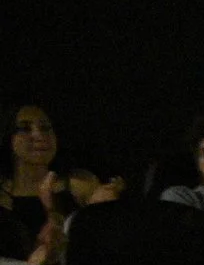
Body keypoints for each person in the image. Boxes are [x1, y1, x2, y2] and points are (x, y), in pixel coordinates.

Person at [4, 103, 122, 241]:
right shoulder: (3, 195)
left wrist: (102, 208)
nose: (38, 135)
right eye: (25, 128)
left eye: (46, 128)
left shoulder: (79, 185)